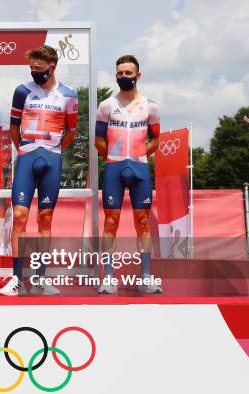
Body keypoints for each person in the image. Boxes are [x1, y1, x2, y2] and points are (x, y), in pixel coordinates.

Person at [0, 45, 78, 296]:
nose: (33, 71)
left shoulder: (68, 93)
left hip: (52, 158)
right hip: (27, 156)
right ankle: (16, 279)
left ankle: (41, 279)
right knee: (20, 217)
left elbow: (71, 131)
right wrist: (25, 149)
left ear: (51, 67)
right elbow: (13, 127)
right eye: (31, 67)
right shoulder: (22, 91)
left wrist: (53, 150)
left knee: (45, 219)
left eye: (38, 67)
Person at [94, 55, 163, 294]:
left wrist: (140, 155)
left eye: (128, 73)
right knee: (110, 223)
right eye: (120, 73)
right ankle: (109, 278)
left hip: (140, 169)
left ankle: (145, 276)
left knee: (142, 223)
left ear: (138, 75)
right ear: (116, 75)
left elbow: (156, 138)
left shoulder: (150, 106)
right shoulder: (105, 106)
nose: (124, 77)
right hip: (114, 168)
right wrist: (111, 160)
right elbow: (99, 140)